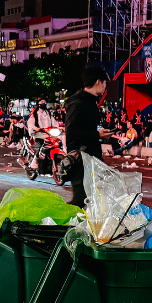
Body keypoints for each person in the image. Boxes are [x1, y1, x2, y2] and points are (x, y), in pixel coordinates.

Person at [64, 65, 111, 206]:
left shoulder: (90, 101)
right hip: (80, 162)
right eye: (104, 83)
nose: (105, 86)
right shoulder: (79, 103)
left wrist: (100, 134)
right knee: (80, 201)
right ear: (98, 82)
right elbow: (72, 132)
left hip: (91, 160)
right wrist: (96, 134)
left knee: (92, 202)